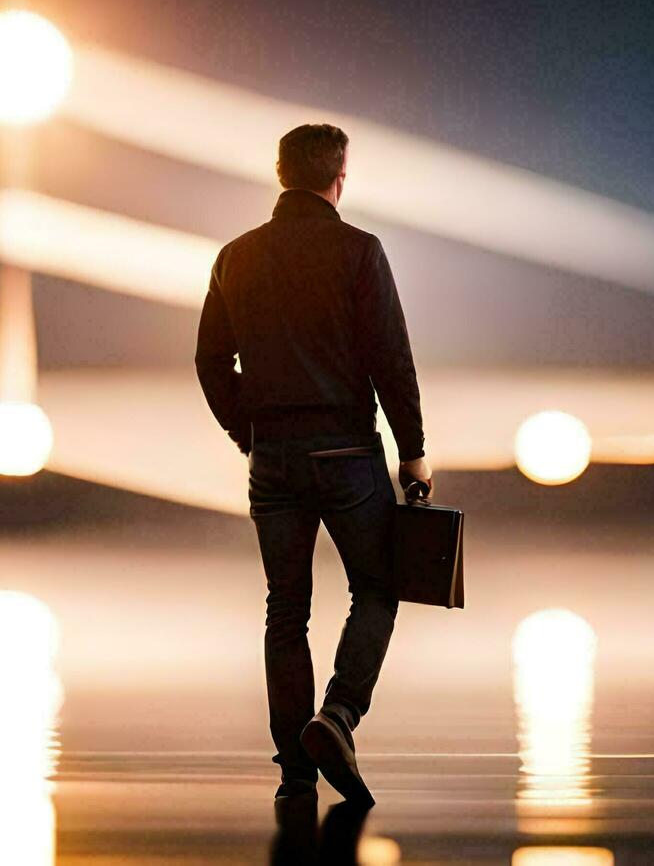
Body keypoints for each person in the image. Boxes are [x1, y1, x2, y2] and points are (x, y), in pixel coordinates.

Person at [195, 123, 432, 804]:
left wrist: (249, 431)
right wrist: (413, 452)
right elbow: (391, 356)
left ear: (279, 174)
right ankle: (339, 715)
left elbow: (211, 361)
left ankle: (295, 772)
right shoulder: (359, 252)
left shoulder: (235, 257)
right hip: (349, 454)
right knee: (379, 589)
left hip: (272, 460)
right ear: (339, 180)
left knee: (285, 611)